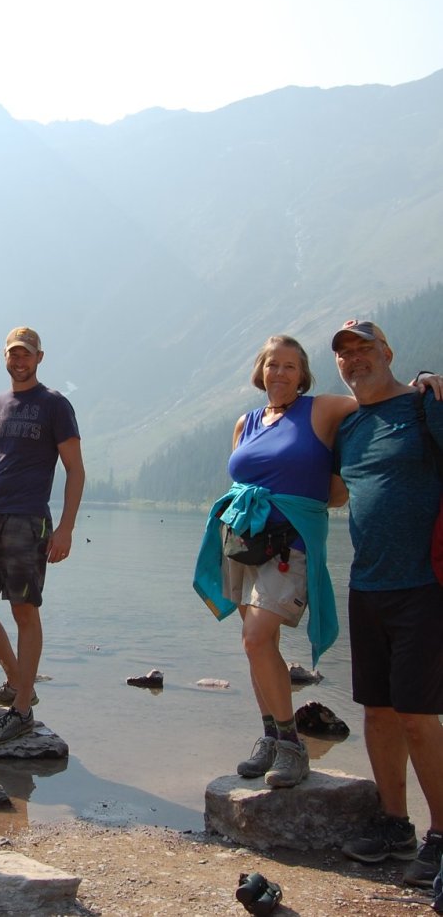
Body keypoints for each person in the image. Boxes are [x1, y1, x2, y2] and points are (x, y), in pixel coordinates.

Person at [193, 335, 358, 788]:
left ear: (303, 374)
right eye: (272, 365)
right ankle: (270, 737)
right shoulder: (245, 422)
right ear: (260, 371)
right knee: (256, 646)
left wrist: (423, 382)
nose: (280, 373)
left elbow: (370, 400)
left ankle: (291, 746)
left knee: (256, 636)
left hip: (291, 542)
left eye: (290, 366)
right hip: (244, 538)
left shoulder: (321, 410)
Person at [329, 319, 443, 889]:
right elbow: (328, 492)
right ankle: (396, 824)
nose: (354, 360)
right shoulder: (348, 426)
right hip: (366, 585)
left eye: (363, 349)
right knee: (377, 712)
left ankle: (441, 837)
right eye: (345, 354)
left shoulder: (426, 405)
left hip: (425, 584)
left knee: (420, 717)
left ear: (387, 352)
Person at [0, 327, 85, 745]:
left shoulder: (55, 405)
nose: (19, 360)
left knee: (24, 611)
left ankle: (22, 709)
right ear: (5, 357)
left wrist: (65, 527)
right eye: (13, 353)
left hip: (29, 519)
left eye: (26, 354)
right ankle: (16, 679)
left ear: (39, 358)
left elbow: (75, 470)